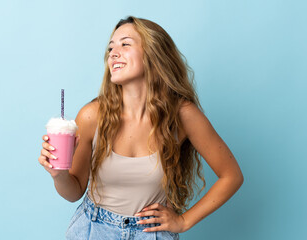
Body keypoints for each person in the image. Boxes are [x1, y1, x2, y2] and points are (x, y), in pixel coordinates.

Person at [38, 16, 244, 240]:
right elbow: (74, 191)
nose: (113, 53)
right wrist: (59, 176)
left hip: (151, 234)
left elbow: (231, 175)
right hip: (93, 230)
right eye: (111, 47)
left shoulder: (183, 116)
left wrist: (184, 221)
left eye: (125, 44)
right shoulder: (92, 116)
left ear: (153, 54)